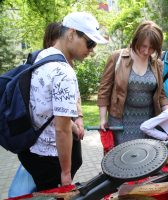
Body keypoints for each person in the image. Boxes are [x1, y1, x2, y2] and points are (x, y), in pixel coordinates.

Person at [17, 12, 107, 191]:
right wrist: (66, 174)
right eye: (89, 43)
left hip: (33, 149)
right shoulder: (63, 71)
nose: (91, 49)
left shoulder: (41, 56)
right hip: (51, 157)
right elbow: (62, 128)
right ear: (72, 34)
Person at [97, 21, 168, 145]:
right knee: (122, 160)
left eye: (151, 48)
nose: (146, 51)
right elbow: (104, 90)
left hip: (149, 122)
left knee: (146, 161)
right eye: (143, 46)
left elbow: (161, 94)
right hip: (121, 121)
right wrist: (103, 118)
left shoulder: (157, 64)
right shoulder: (117, 57)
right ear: (136, 40)